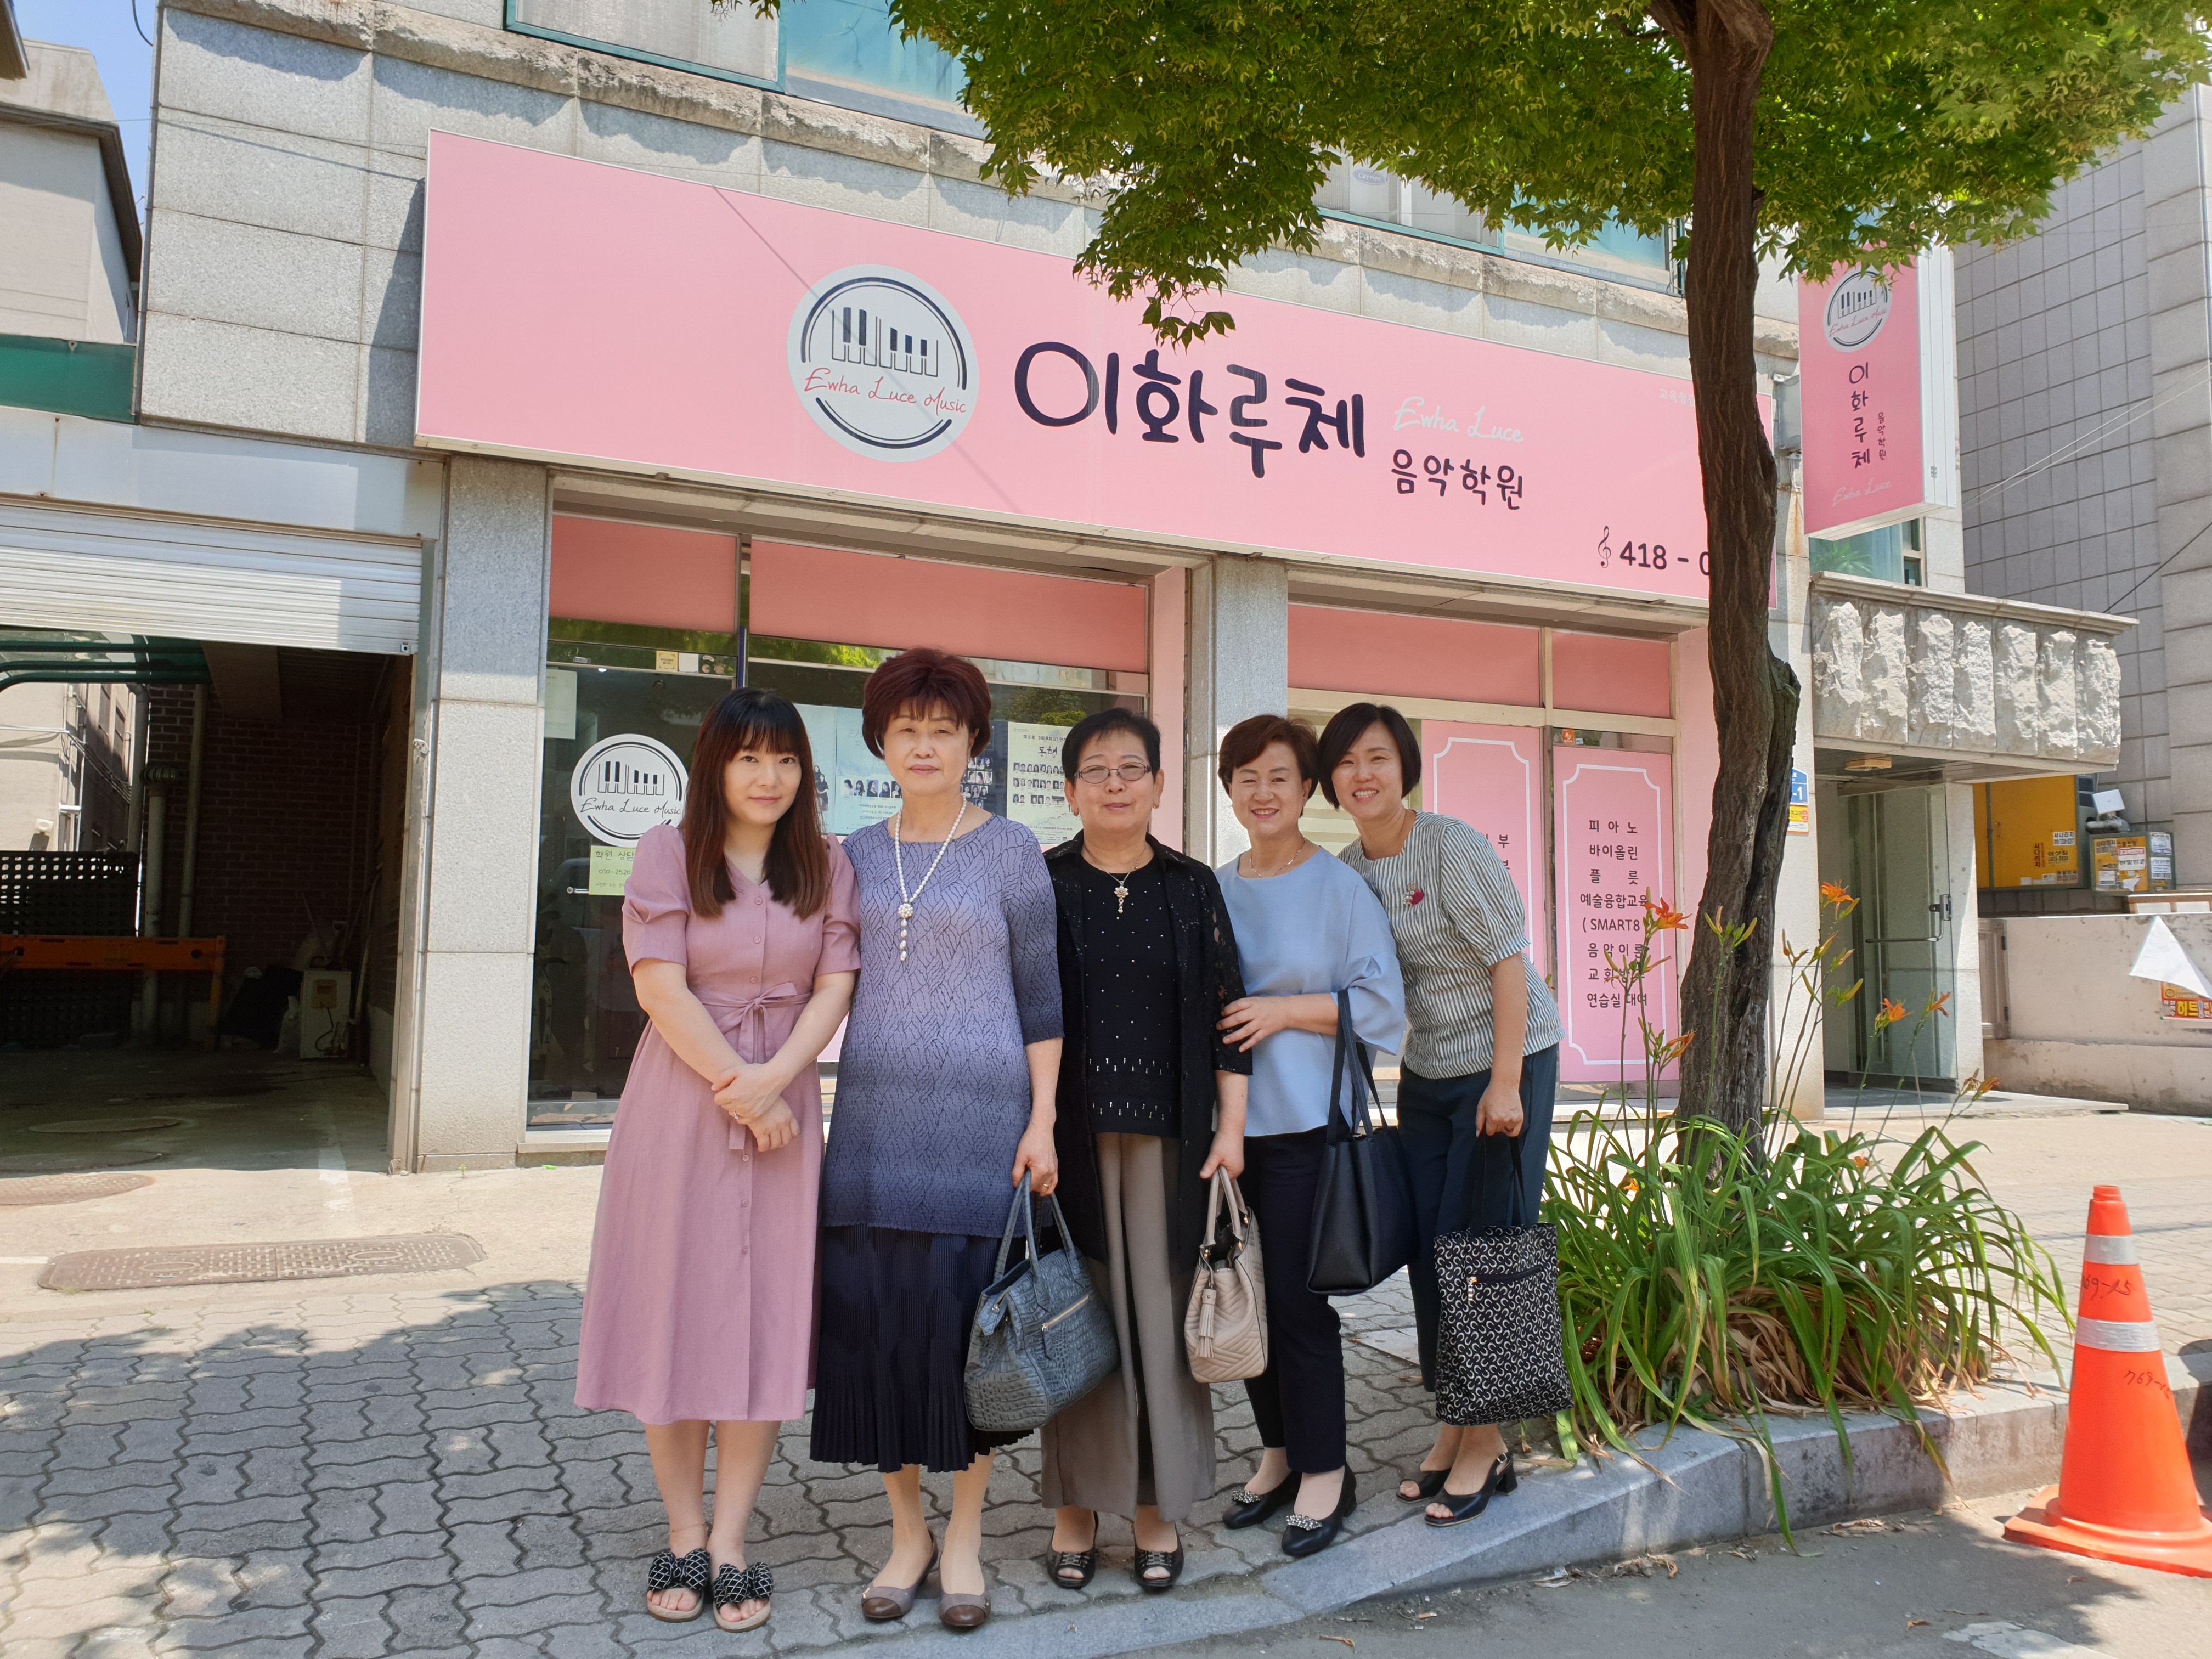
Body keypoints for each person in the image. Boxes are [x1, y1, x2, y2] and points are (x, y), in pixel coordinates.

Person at [574, 687, 860, 1633]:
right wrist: (742, 1086)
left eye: (786, 759)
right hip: (682, 1103)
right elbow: (659, 986)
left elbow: (836, 985)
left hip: (783, 1108)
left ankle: (733, 1540)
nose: (769, 776)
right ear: (716, 767)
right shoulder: (667, 852)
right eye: (749, 758)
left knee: (760, 1316)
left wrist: (775, 1082)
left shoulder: (828, 863)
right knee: (674, 1306)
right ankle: (685, 1533)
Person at [810, 647, 1063, 1633]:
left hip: (982, 1134)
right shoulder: (852, 855)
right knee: (879, 1333)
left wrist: (1043, 1120)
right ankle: (906, 1533)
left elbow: (1042, 1000)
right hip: (874, 1134)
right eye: (907, 729)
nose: (925, 746)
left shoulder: (1013, 849)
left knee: (969, 1342)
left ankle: (964, 1534)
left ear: (973, 745)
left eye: (944, 731)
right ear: (881, 741)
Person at [1323, 703, 1564, 1528]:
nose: (1363, 775)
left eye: (1377, 758)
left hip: (1508, 1059)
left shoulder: (1449, 845)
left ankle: (1487, 1442)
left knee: (1487, 1243)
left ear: (1405, 767)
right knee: (1433, 1248)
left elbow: (1508, 962)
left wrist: (1507, 1084)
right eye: (1346, 762)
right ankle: (1455, 1423)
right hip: (1426, 1072)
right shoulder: (1350, 870)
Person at [1039, 709, 1252, 1594]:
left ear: (1162, 785)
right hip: (1072, 1141)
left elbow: (1229, 1015)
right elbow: (1022, 1012)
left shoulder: (1191, 887)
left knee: (1165, 1328)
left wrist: (1232, 1130)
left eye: (1133, 768)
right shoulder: (1045, 882)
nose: (1116, 784)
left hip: (1175, 1142)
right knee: (1077, 1322)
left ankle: (1158, 1511)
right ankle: (1075, 1509)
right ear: (1070, 791)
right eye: (1096, 770)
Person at [1211, 713, 1405, 1558]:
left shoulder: (1339, 888)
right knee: (1246, 1298)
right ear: (1228, 790)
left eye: (1279, 777)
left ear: (1306, 790)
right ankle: (1279, 1453)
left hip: (1303, 1128)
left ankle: (1326, 1470)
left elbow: (1383, 1007)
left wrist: (1285, 1010)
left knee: (1296, 1302)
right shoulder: (1214, 887)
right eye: (1247, 778)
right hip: (1225, 1135)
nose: (1264, 793)